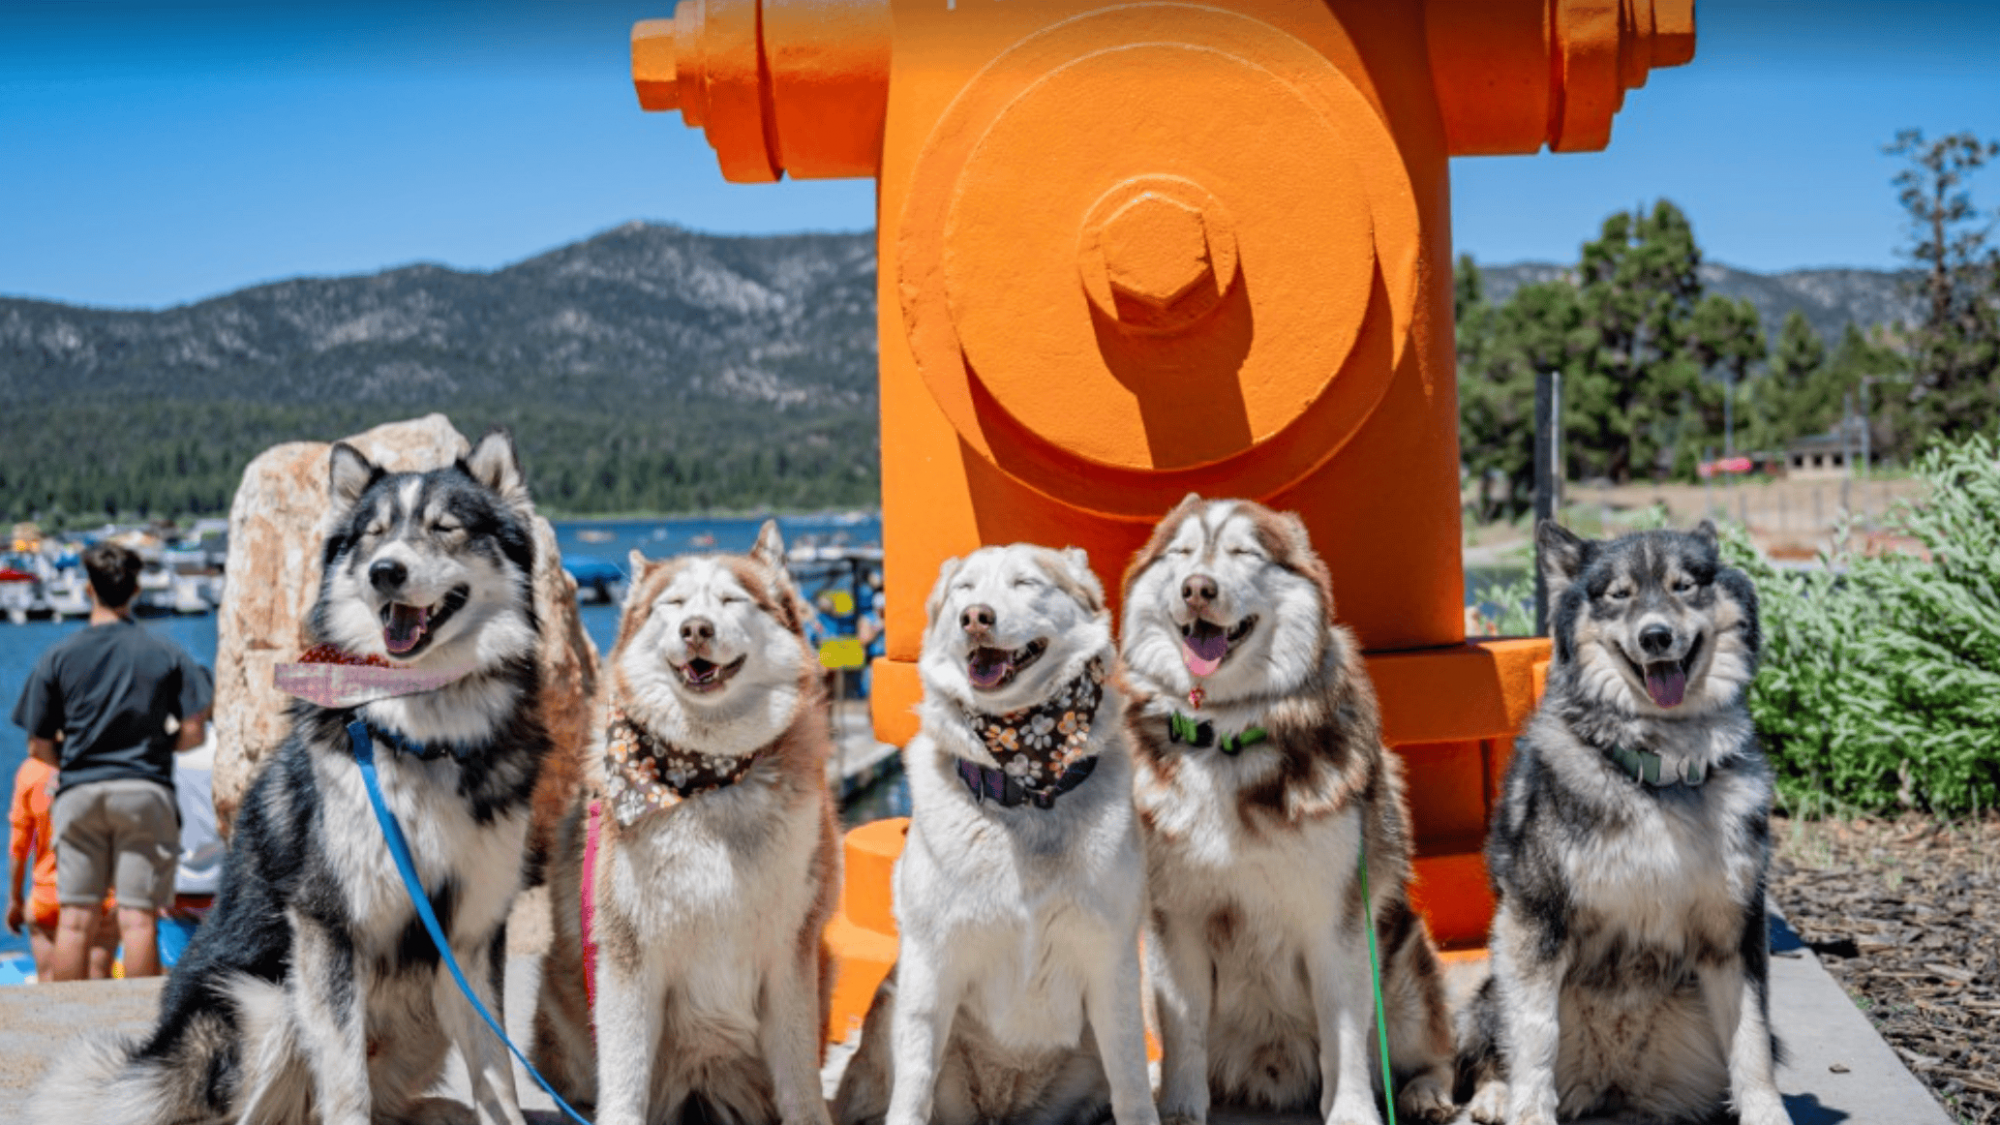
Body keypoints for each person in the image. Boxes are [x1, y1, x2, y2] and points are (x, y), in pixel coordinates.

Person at [11, 542, 212, 981]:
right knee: (138, 918)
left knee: (76, 918)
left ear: (88, 590)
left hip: (79, 792)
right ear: (136, 590)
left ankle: (63, 1023)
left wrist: (78, 759)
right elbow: (194, 731)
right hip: (145, 792)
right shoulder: (167, 653)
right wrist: (156, 752)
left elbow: (37, 747)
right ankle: (140, 1026)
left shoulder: (57, 657)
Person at [7, 755, 119, 979]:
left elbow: (19, 847)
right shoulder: (104, 763)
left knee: (49, 984)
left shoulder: (32, 770)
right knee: (99, 981)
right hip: (99, 895)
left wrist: (15, 899)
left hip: (48, 896)